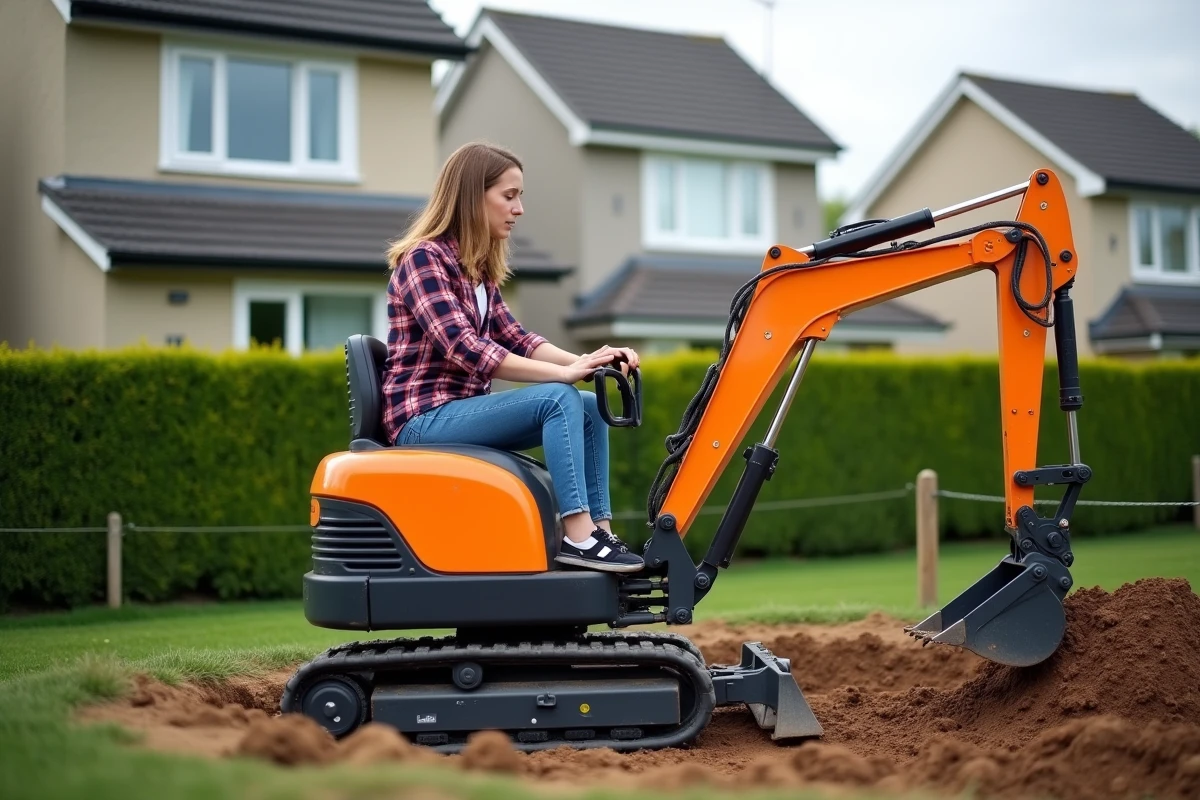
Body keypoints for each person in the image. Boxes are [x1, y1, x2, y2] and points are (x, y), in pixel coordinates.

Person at [381, 142, 644, 573]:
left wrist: (588, 361)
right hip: (422, 421)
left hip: (456, 412)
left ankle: (599, 533)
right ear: (472, 196)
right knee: (558, 395)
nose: (518, 209)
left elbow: (517, 338)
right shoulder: (424, 259)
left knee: (590, 405)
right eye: (509, 195)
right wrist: (564, 373)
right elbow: (466, 347)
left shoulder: (478, 271)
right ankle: (577, 538)